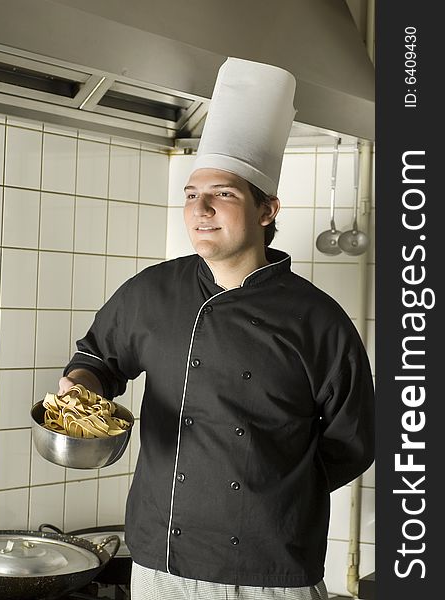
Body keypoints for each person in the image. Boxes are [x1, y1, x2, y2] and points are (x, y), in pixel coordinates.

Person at [59, 58, 375, 600]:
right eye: (190, 194)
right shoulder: (153, 292)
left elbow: (353, 441)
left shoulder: (318, 320)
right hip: (161, 563)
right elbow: (99, 359)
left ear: (268, 210)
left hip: (270, 571)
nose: (200, 209)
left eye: (223, 194)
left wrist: (272, 488)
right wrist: (80, 390)